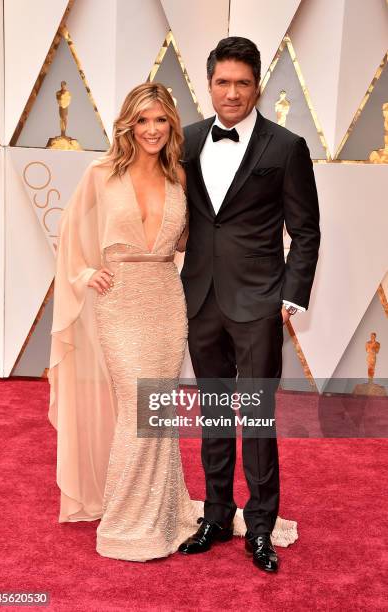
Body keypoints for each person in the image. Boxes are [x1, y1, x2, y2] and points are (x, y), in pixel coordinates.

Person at [48, 81, 298, 563]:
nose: (152, 129)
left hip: (166, 300)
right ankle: (127, 522)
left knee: (155, 411)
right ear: (128, 124)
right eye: (142, 120)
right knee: (135, 408)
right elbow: (69, 234)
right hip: (120, 300)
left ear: (171, 125)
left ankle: (160, 513)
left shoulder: (180, 177)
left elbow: (198, 239)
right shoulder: (101, 172)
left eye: (160, 120)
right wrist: (84, 272)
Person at [178, 37, 320, 572]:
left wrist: (290, 298)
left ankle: (260, 525)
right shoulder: (187, 141)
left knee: (257, 418)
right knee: (214, 412)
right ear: (208, 84)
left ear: (257, 85)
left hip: (260, 302)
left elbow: (306, 232)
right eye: (222, 82)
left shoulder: (286, 146)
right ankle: (216, 515)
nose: (231, 93)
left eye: (242, 83)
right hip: (201, 299)